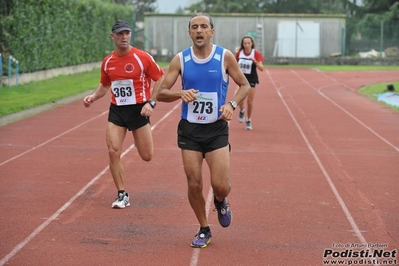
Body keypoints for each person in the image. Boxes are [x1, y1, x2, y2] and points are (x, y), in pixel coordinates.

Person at [157, 13, 250, 248]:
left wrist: (231, 105)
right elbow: (161, 93)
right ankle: (204, 228)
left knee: (220, 185)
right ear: (189, 33)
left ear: (211, 31)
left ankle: (220, 200)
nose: (199, 30)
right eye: (194, 27)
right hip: (189, 130)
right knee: (194, 184)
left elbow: (245, 85)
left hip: (217, 129)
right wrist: (180, 93)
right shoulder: (180, 59)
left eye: (204, 26)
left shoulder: (224, 57)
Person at [83, 20, 165, 209]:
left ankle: (140, 137)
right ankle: (122, 193)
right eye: (120, 34)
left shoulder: (142, 57)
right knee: (113, 151)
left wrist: (151, 102)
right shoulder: (108, 62)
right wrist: (93, 97)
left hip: (139, 109)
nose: (124, 37)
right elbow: (105, 85)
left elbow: (160, 77)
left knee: (147, 155)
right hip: (117, 110)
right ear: (113, 36)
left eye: (127, 33)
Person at [235, 35, 264, 130]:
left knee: (250, 101)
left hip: (252, 79)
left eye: (248, 43)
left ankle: (248, 120)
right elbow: (234, 65)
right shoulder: (239, 53)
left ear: (252, 44)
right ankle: (242, 110)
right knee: (240, 99)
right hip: (242, 79)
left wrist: (255, 61)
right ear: (242, 44)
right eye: (245, 43)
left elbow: (261, 68)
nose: (247, 45)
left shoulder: (255, 53)